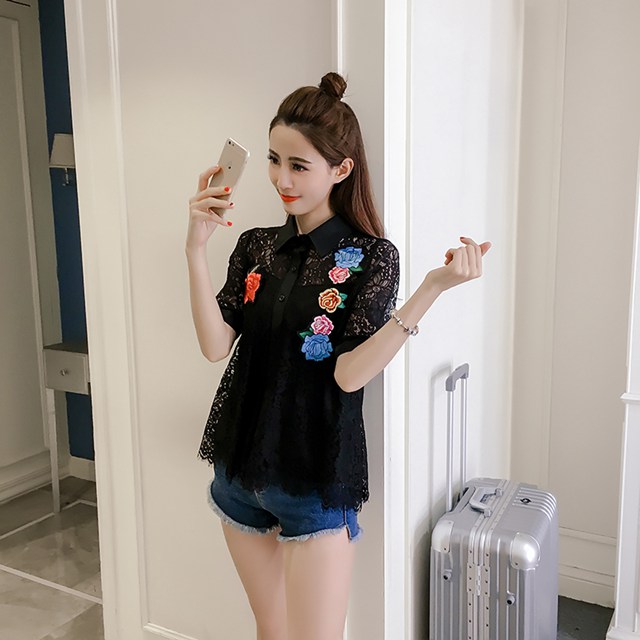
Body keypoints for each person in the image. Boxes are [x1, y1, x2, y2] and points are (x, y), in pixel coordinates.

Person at [186, 72, 491, 640]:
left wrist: (430, 289)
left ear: (341, 169)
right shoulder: (256, 246)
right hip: (238, 472)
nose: (281, 179)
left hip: (313, 481)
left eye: (299, 166)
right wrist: (195, 247)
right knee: (271, 630)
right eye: (274, 160)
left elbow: (349, 375)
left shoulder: (371, 257)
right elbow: (214, 346)